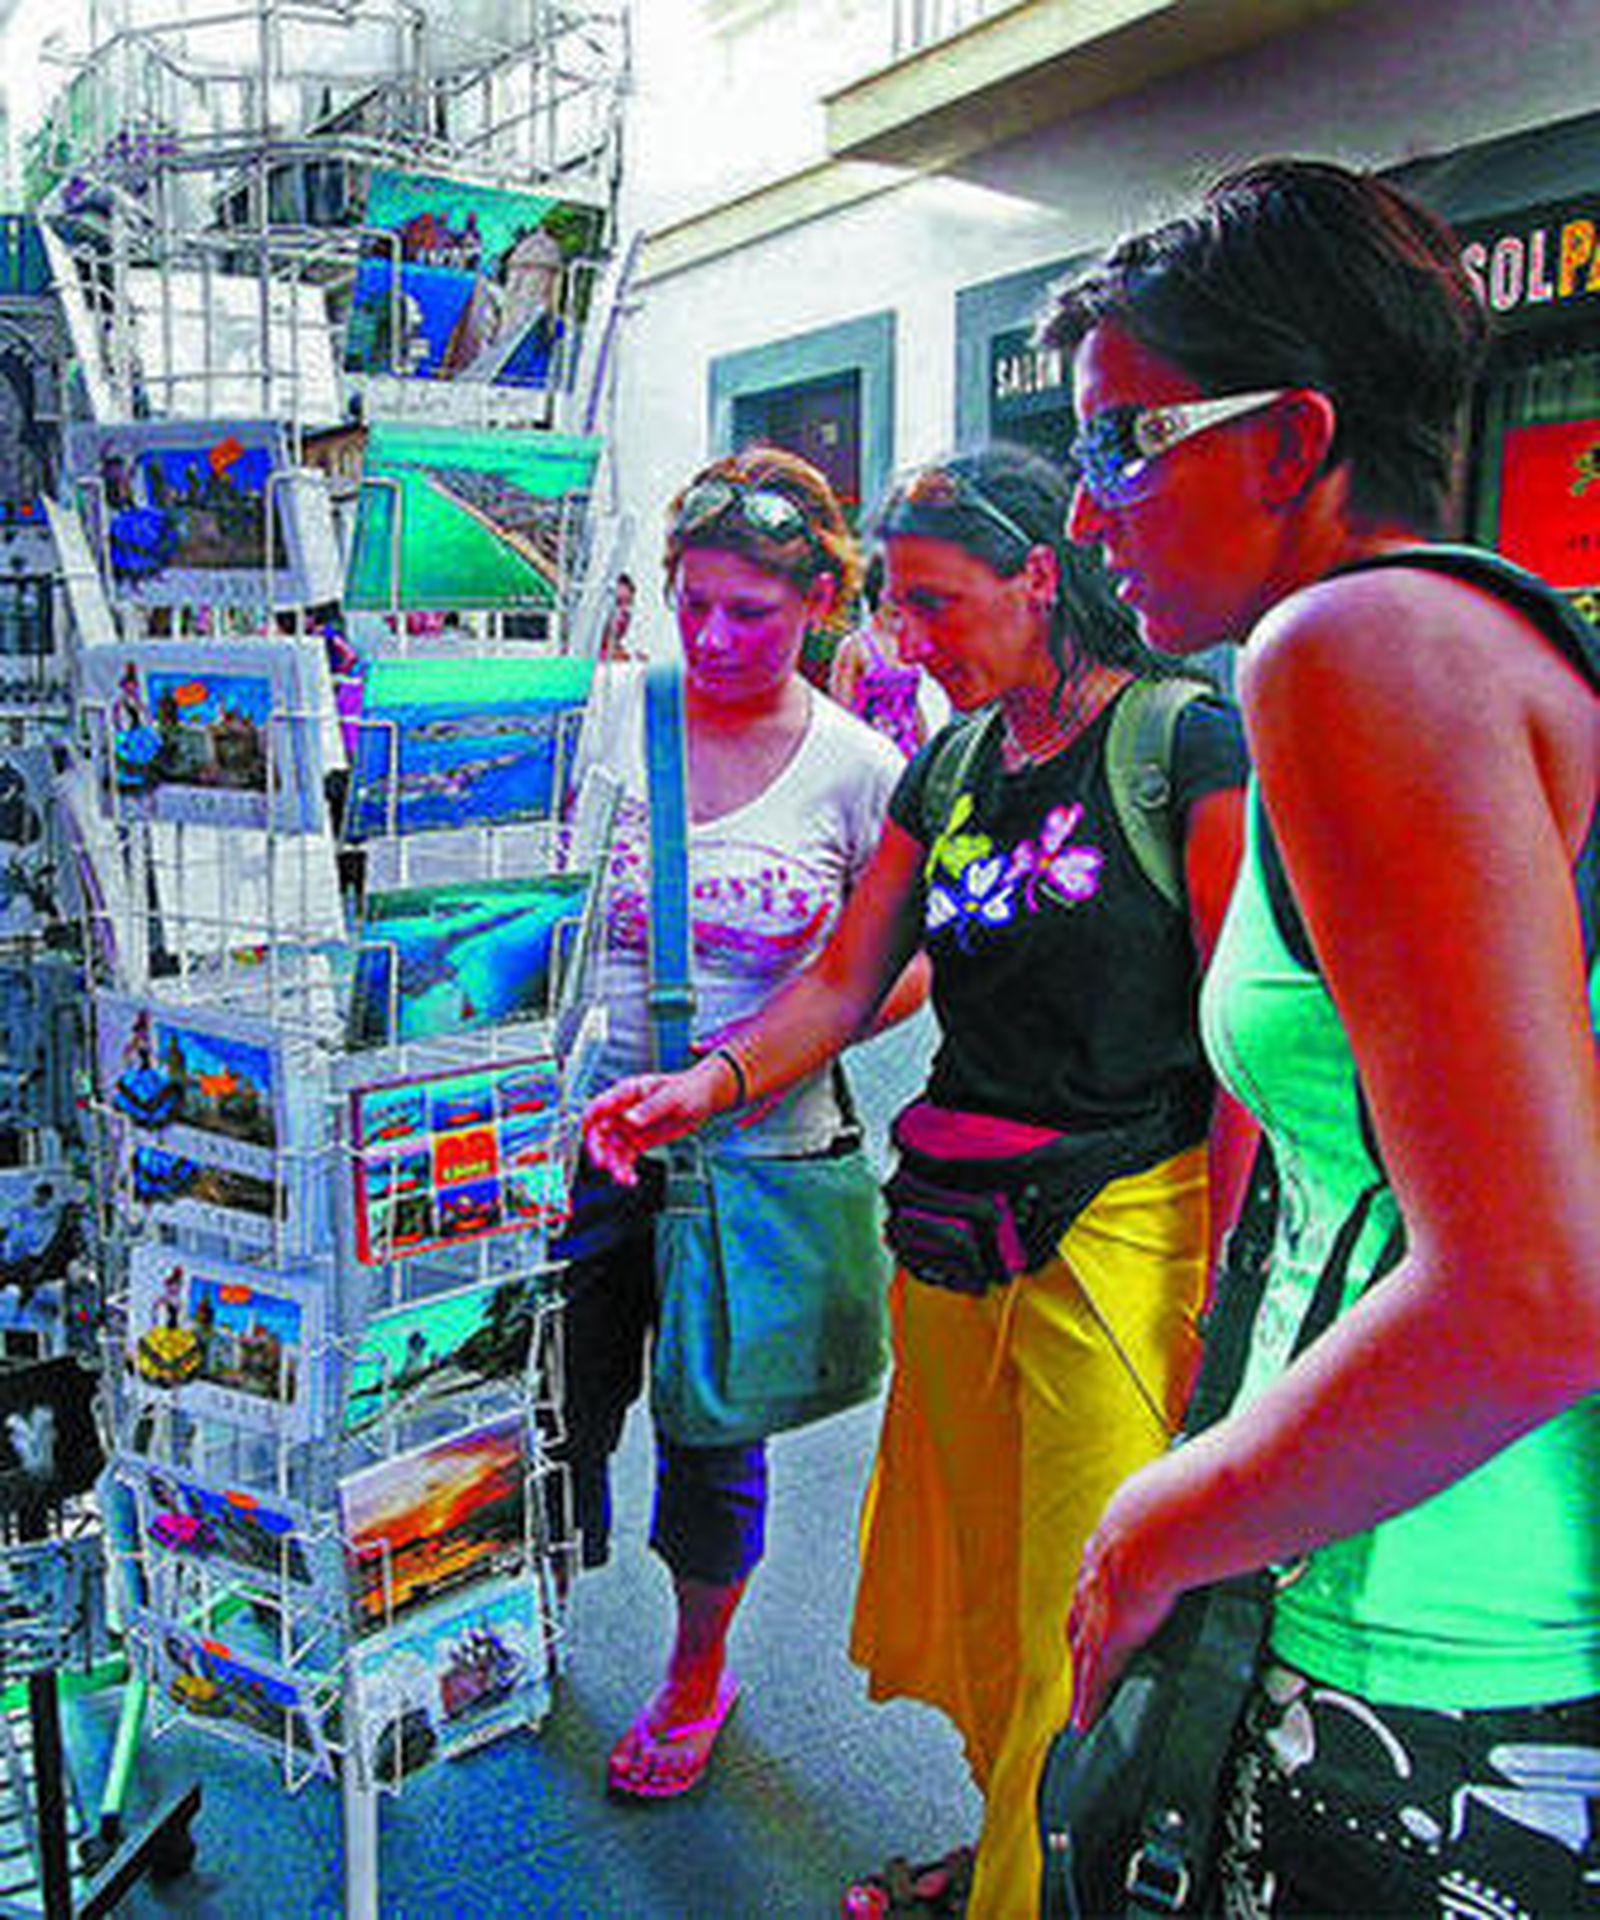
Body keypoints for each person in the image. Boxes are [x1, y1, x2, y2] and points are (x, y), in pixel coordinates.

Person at [584, 443, 1250, 1915]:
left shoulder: (1182, 747)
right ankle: (1005, 1850)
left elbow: (1244, 1036)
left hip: (1123, 1237)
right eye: (894, 606)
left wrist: (1223, 1284)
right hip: (954, 1231)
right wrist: (705, 1082)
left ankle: (1033, 1889)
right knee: (976, 1592)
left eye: (937, 605)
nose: (906, 643)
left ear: (1039, 576)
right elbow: (843, 979)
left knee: (1079, 1607)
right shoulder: (952, 764)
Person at [1045, 156, 1600, 1914]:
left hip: (1438, 1625)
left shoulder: (1354, 648)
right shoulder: (1491, 642)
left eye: (1125, 441)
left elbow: (1526, 1296)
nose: (1089, 512)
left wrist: (1168, 1520)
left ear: (1290, 440)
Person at [554, 444, 920, 1802]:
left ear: (821, 599)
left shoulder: (863, 768)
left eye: (749, 611)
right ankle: (521, 1628)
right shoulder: (598, 715)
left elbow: (910, 955)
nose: (712, 636)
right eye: (692, 602)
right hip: (573, 1145)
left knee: (715, 1434)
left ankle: (698, 1669)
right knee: (552, 1406)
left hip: (750, 1159)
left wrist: (752, 1058)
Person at [829, 552, 928, 758]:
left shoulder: (906, 641)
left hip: (908, 754)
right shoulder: (855, 646)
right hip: (871, 754)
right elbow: (841, 711)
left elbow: (912, 703)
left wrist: (927, 750)